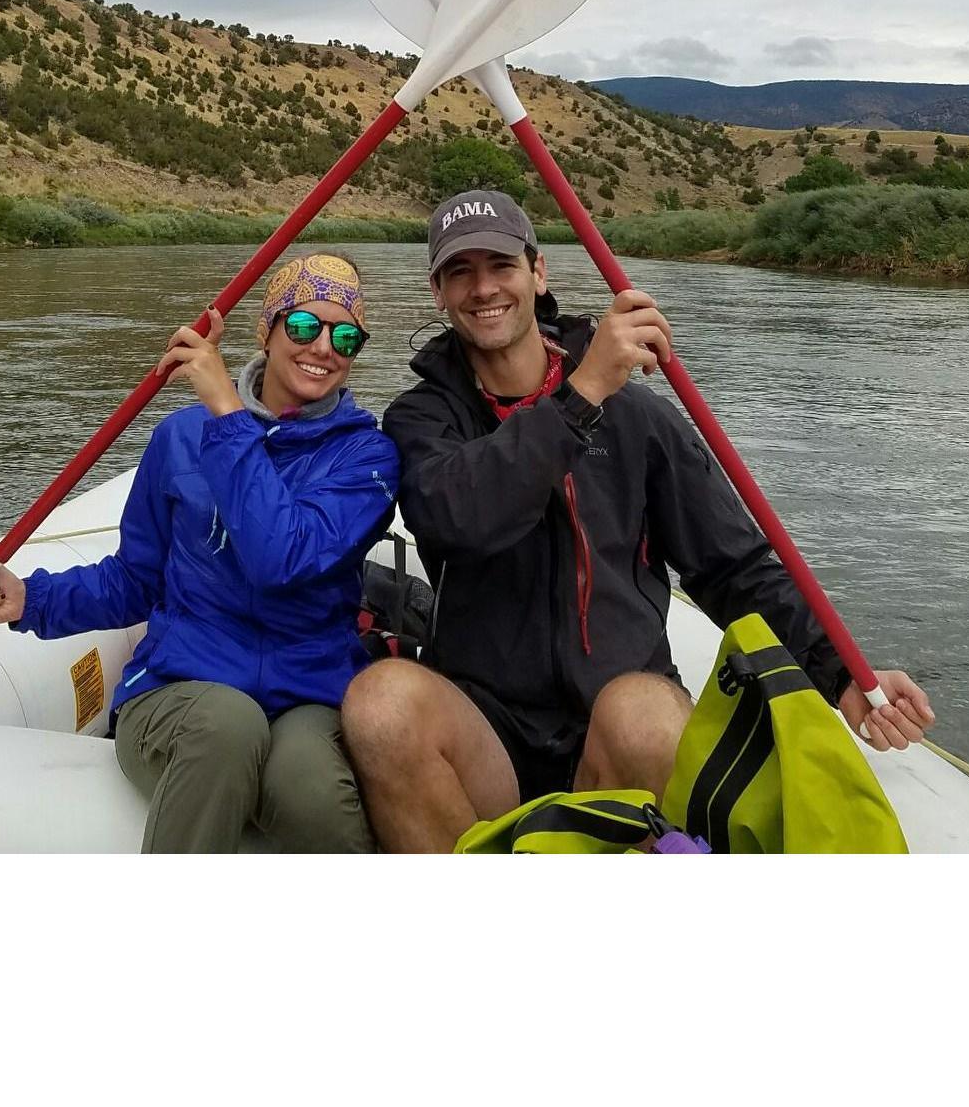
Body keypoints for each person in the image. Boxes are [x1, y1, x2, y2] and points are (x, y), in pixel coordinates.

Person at [341, 190, 936, 852]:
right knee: (381, 702)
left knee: (644, 710)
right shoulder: (423, 418)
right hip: (489, 735)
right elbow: (455, 520)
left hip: (616, 726)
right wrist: (579, 396)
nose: (483, 287)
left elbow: (732, 565)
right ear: (437, 291)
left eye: (500, 264)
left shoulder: (637, 418)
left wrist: (840, 672)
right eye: (461, 271)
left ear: (537, 273)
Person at [0, 253, 398, 853]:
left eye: (346, 336)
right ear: (267, 329)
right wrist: (32, 599)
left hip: (306, 690)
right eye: (302, 326)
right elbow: (137, 579)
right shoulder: (180, 438)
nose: (323, 347)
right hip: (183, 683)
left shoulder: (366, 457)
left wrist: (227, 412)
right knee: (227, 726)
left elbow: (282, 559)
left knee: (308, 788)